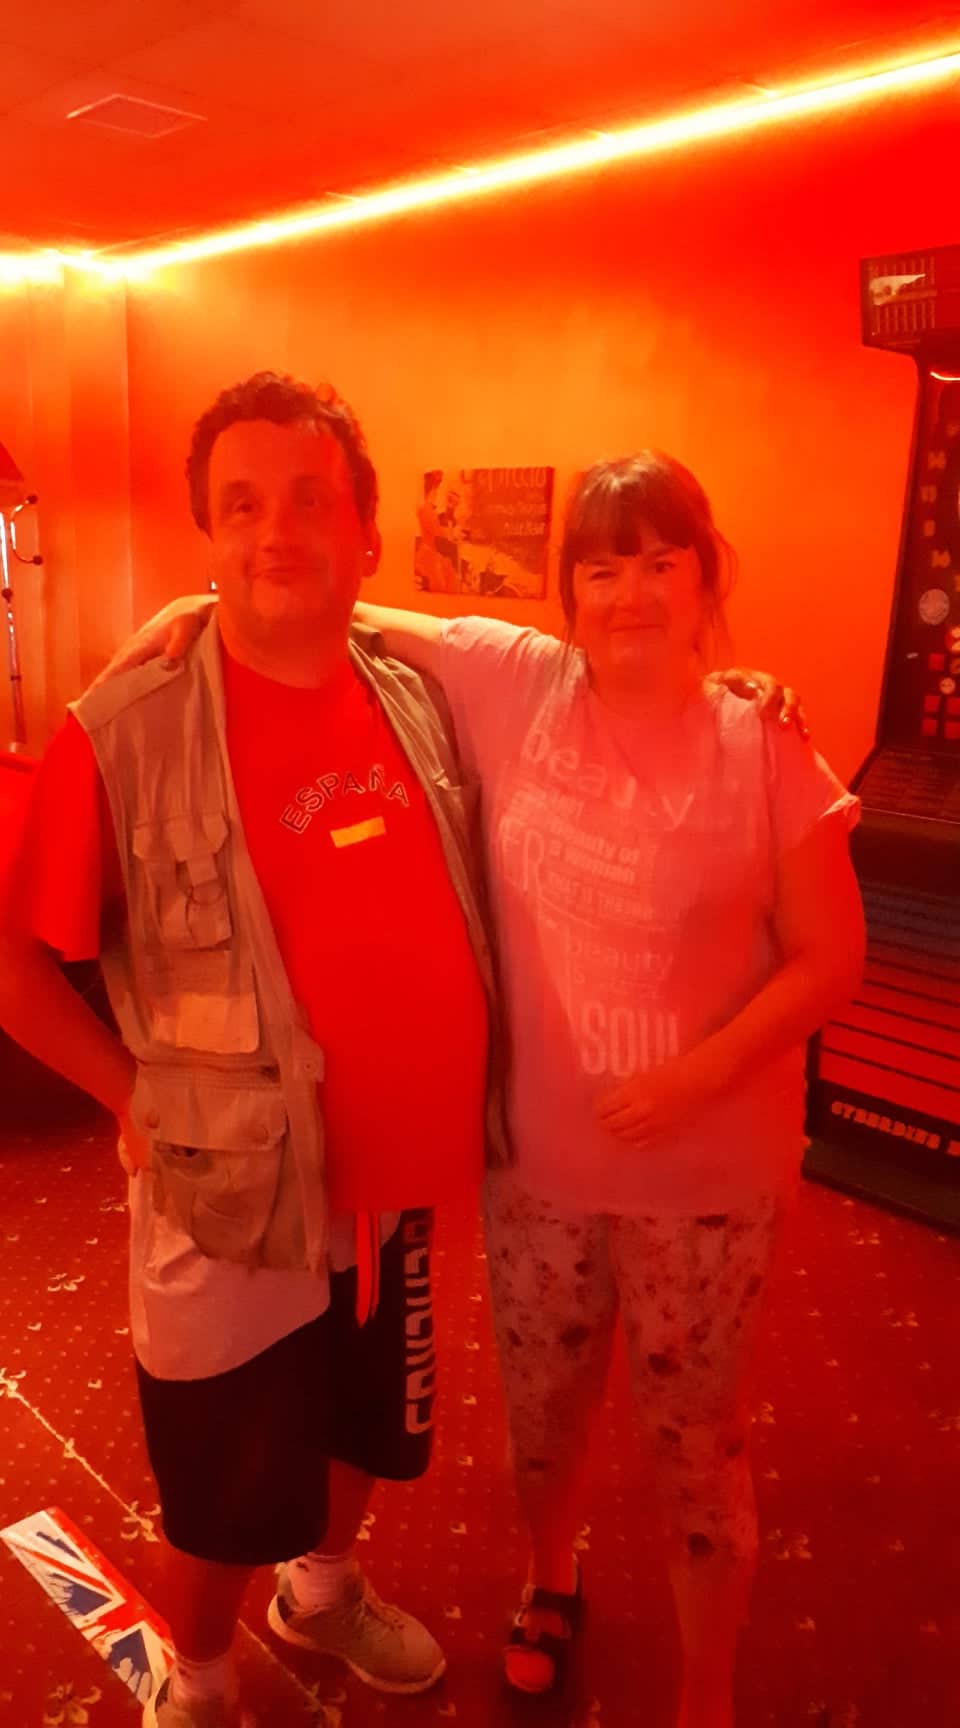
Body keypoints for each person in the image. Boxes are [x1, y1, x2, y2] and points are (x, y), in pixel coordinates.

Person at [66, 418, 817, 1725]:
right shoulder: (515, 681)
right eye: (602, 567)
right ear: (566, 592)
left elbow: (829, 953)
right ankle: (271, 1654)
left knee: (605, 1438)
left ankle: (371, 1602)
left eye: (662, 563)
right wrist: (192, 606)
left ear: (709, 571)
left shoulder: (749, 737)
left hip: (532, 1172)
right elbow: (329, 597)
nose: (631, 592)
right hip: (451, 1171)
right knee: (422, 1431)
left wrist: (695, 1077)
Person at [0, 371, 513, 1728]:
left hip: (394, 1186)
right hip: (224, 1190)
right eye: (241, 506)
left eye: (309, 502)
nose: (276, 532)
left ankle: (323, 1595)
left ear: (366, 534)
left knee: (367, 1432)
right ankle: (204, 1676)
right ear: (209, 536)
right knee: (223, 1485)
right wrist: (127, 1095)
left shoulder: (417, 699)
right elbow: (13, 965)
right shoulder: (128, 729)